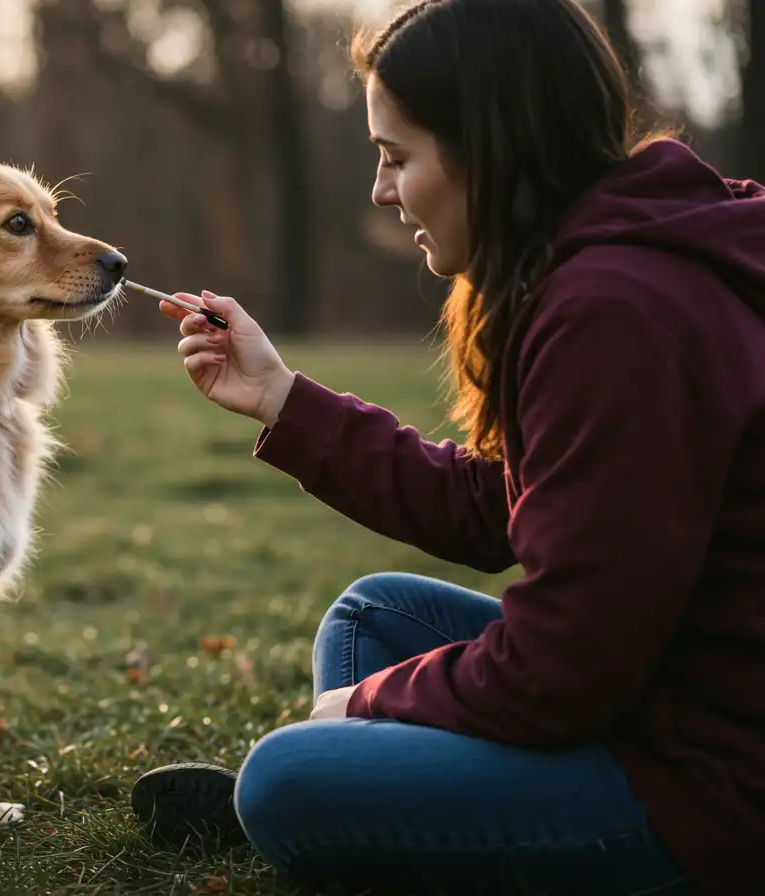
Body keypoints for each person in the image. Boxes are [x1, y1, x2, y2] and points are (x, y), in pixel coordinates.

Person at [127, 1, 765, 894]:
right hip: (654, 690)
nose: (382, 191)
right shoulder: (606, 262)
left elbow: (564, 668)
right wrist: (283, 400)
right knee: (374, 616)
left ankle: (357, 820)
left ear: (490, 147)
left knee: (284, 778)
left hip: (705, 790)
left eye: (397, 157)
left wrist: (366, 704)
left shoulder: (615, 314)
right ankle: (379, 818)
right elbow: (495, 509)